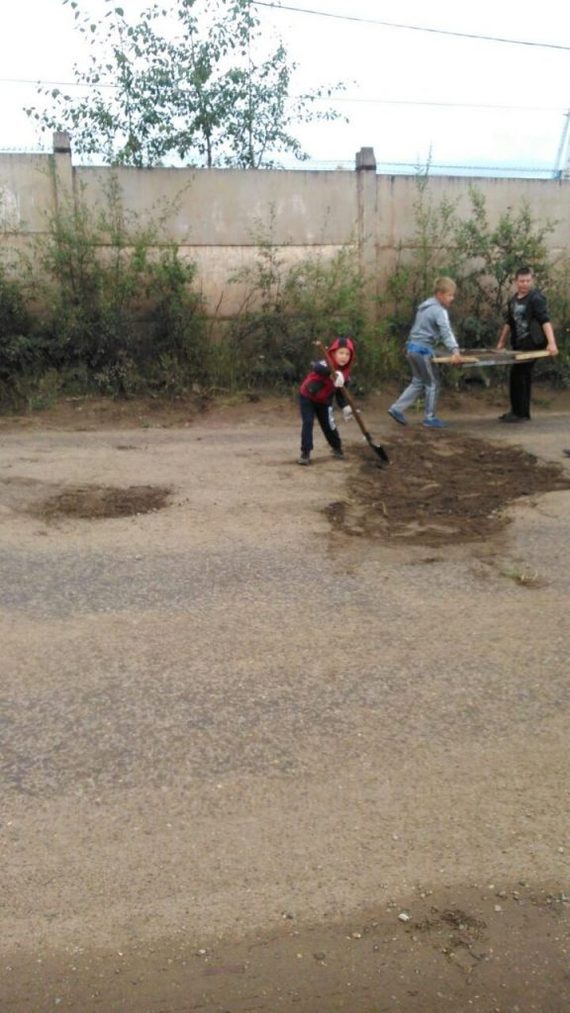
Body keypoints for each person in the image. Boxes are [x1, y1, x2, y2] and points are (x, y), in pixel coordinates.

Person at [387, 277, 463, 429]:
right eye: (450, 295)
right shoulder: (439, 311)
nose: (452, 298)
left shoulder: (424, 307)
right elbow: (446, 332)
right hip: (423, 351)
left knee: (418, 381)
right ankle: (430, 417)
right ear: (440, 294)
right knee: (433, 383)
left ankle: (396, 408)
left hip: (412, 349)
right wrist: (455, 351)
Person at [496, 267, 558, 423]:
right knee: (523, 375)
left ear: (532, 280)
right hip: (519, 343)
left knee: (518, 374)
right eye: (522, 281)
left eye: (528, 281)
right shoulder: (513, 300)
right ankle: (522, 412)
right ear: (516, 281)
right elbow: (509, 322)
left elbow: (545, 321)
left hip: (533, 343)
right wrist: (501, 342)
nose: (525, 284)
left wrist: (551, 343)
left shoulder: (536, 299)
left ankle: (519, 413)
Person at [297, 336, 355, 465]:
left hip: (325, 401)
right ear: (334, 353)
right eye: (341, 353)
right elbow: (317, 367)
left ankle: (337, 448)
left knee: (329, 425)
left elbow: (340, 393)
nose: (344, 357)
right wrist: (332, 373)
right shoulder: (326, 363)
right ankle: (305, 453)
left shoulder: (345, 375)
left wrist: (345, 406)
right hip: (308, 397)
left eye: (347, 354)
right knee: (308, 423)